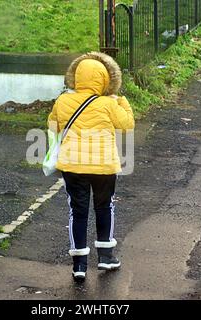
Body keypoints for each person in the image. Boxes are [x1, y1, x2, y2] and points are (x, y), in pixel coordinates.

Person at [47, 52, 135, 281]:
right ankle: (106, 258)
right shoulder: (109, 103)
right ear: (105, 79)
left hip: (73, 167)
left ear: (76, 77)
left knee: (78, 211)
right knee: (104, 207)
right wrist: (121, 99)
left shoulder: (63, 100)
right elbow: (127, 125)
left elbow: (53, 126)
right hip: (103, 167)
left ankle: (79, 265)